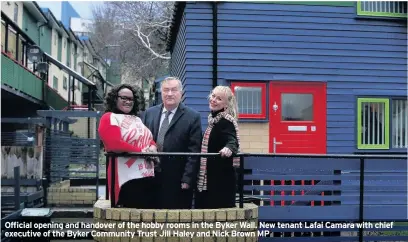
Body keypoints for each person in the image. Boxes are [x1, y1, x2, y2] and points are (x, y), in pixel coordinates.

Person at [142, 77, 202, 209]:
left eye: (174, 90)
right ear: (161, 93)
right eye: (166, 90)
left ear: (181, 93)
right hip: (150, 177)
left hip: (177, 180)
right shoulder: (149, 113)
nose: (169, 94)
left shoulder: (193, 117)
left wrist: (187, 179)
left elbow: (194, 151)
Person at [98, 84, 158, 208]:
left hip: (146, 174)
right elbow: (114, 144)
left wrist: (153, 147)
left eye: (131, 99)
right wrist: (142, 152)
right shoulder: (109, 117)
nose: (128, 101)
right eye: (123, 98)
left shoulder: (137, 119)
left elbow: (148, 138)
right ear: (115, 99)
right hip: (126, 179)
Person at [195, 86, 241, 209]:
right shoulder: (214, 121)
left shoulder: (226, 121)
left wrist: (229, 148)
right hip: (211, 179)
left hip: (220, 183)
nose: (214, 100)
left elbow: (232, 140)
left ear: (226, 106)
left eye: (219, 99)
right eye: (213, 96)